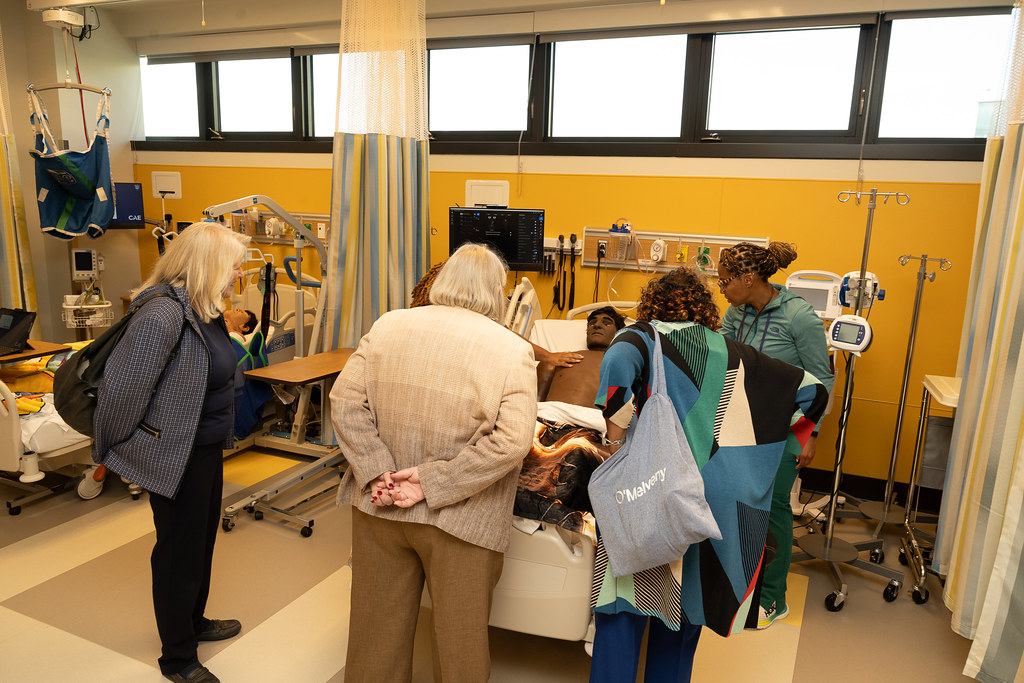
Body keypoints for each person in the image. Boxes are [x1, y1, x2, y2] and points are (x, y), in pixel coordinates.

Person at [589, 266, 828, 683]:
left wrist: (614, 444)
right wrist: (753, 456)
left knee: (625, 606)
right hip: (708, 505)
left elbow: (615, 378)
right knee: (682, 614)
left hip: (652, 495)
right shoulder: (734, 352)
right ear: (703, 309)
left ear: (652, 303)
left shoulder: (640, 337)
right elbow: (812, 391)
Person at [331, 243, 538, 682]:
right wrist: (431, 483)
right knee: (459, 645)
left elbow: (344, 402)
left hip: (380, 506)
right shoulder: (510, 349)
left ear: (444, 280)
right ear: (496, 293)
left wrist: (377, 470)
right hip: (463, 518)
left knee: (374, 638)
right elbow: (513, 441)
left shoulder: (388, 325)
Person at [93, 222, 249, 683]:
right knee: (178, 555)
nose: (239, 272)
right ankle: (177, 658)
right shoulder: (161, 316)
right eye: (234, 263)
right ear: (208, 264)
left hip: (203, 449)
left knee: (200, 546)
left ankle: (193, 622)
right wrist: (110, 452)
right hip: (174, 456)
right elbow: (120, 394)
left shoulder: (203, 309)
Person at [717, 241, 834, 630]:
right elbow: (722, 353)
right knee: (737, 502)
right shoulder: (737, 312)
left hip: (787, 427)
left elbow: (823, 378)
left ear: (748, 278)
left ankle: (773, 599)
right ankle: (740, 583)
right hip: (743, 422)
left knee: (773, 507)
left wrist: (810, 433)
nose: (722, 288)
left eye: (725, 281)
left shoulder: (799, 316)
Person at [412, 257, 584, 368]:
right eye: (499, 287)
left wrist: (548, 356)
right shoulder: (474, 325)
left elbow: (505, 333)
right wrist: (547, 356)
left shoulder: (406, 319)